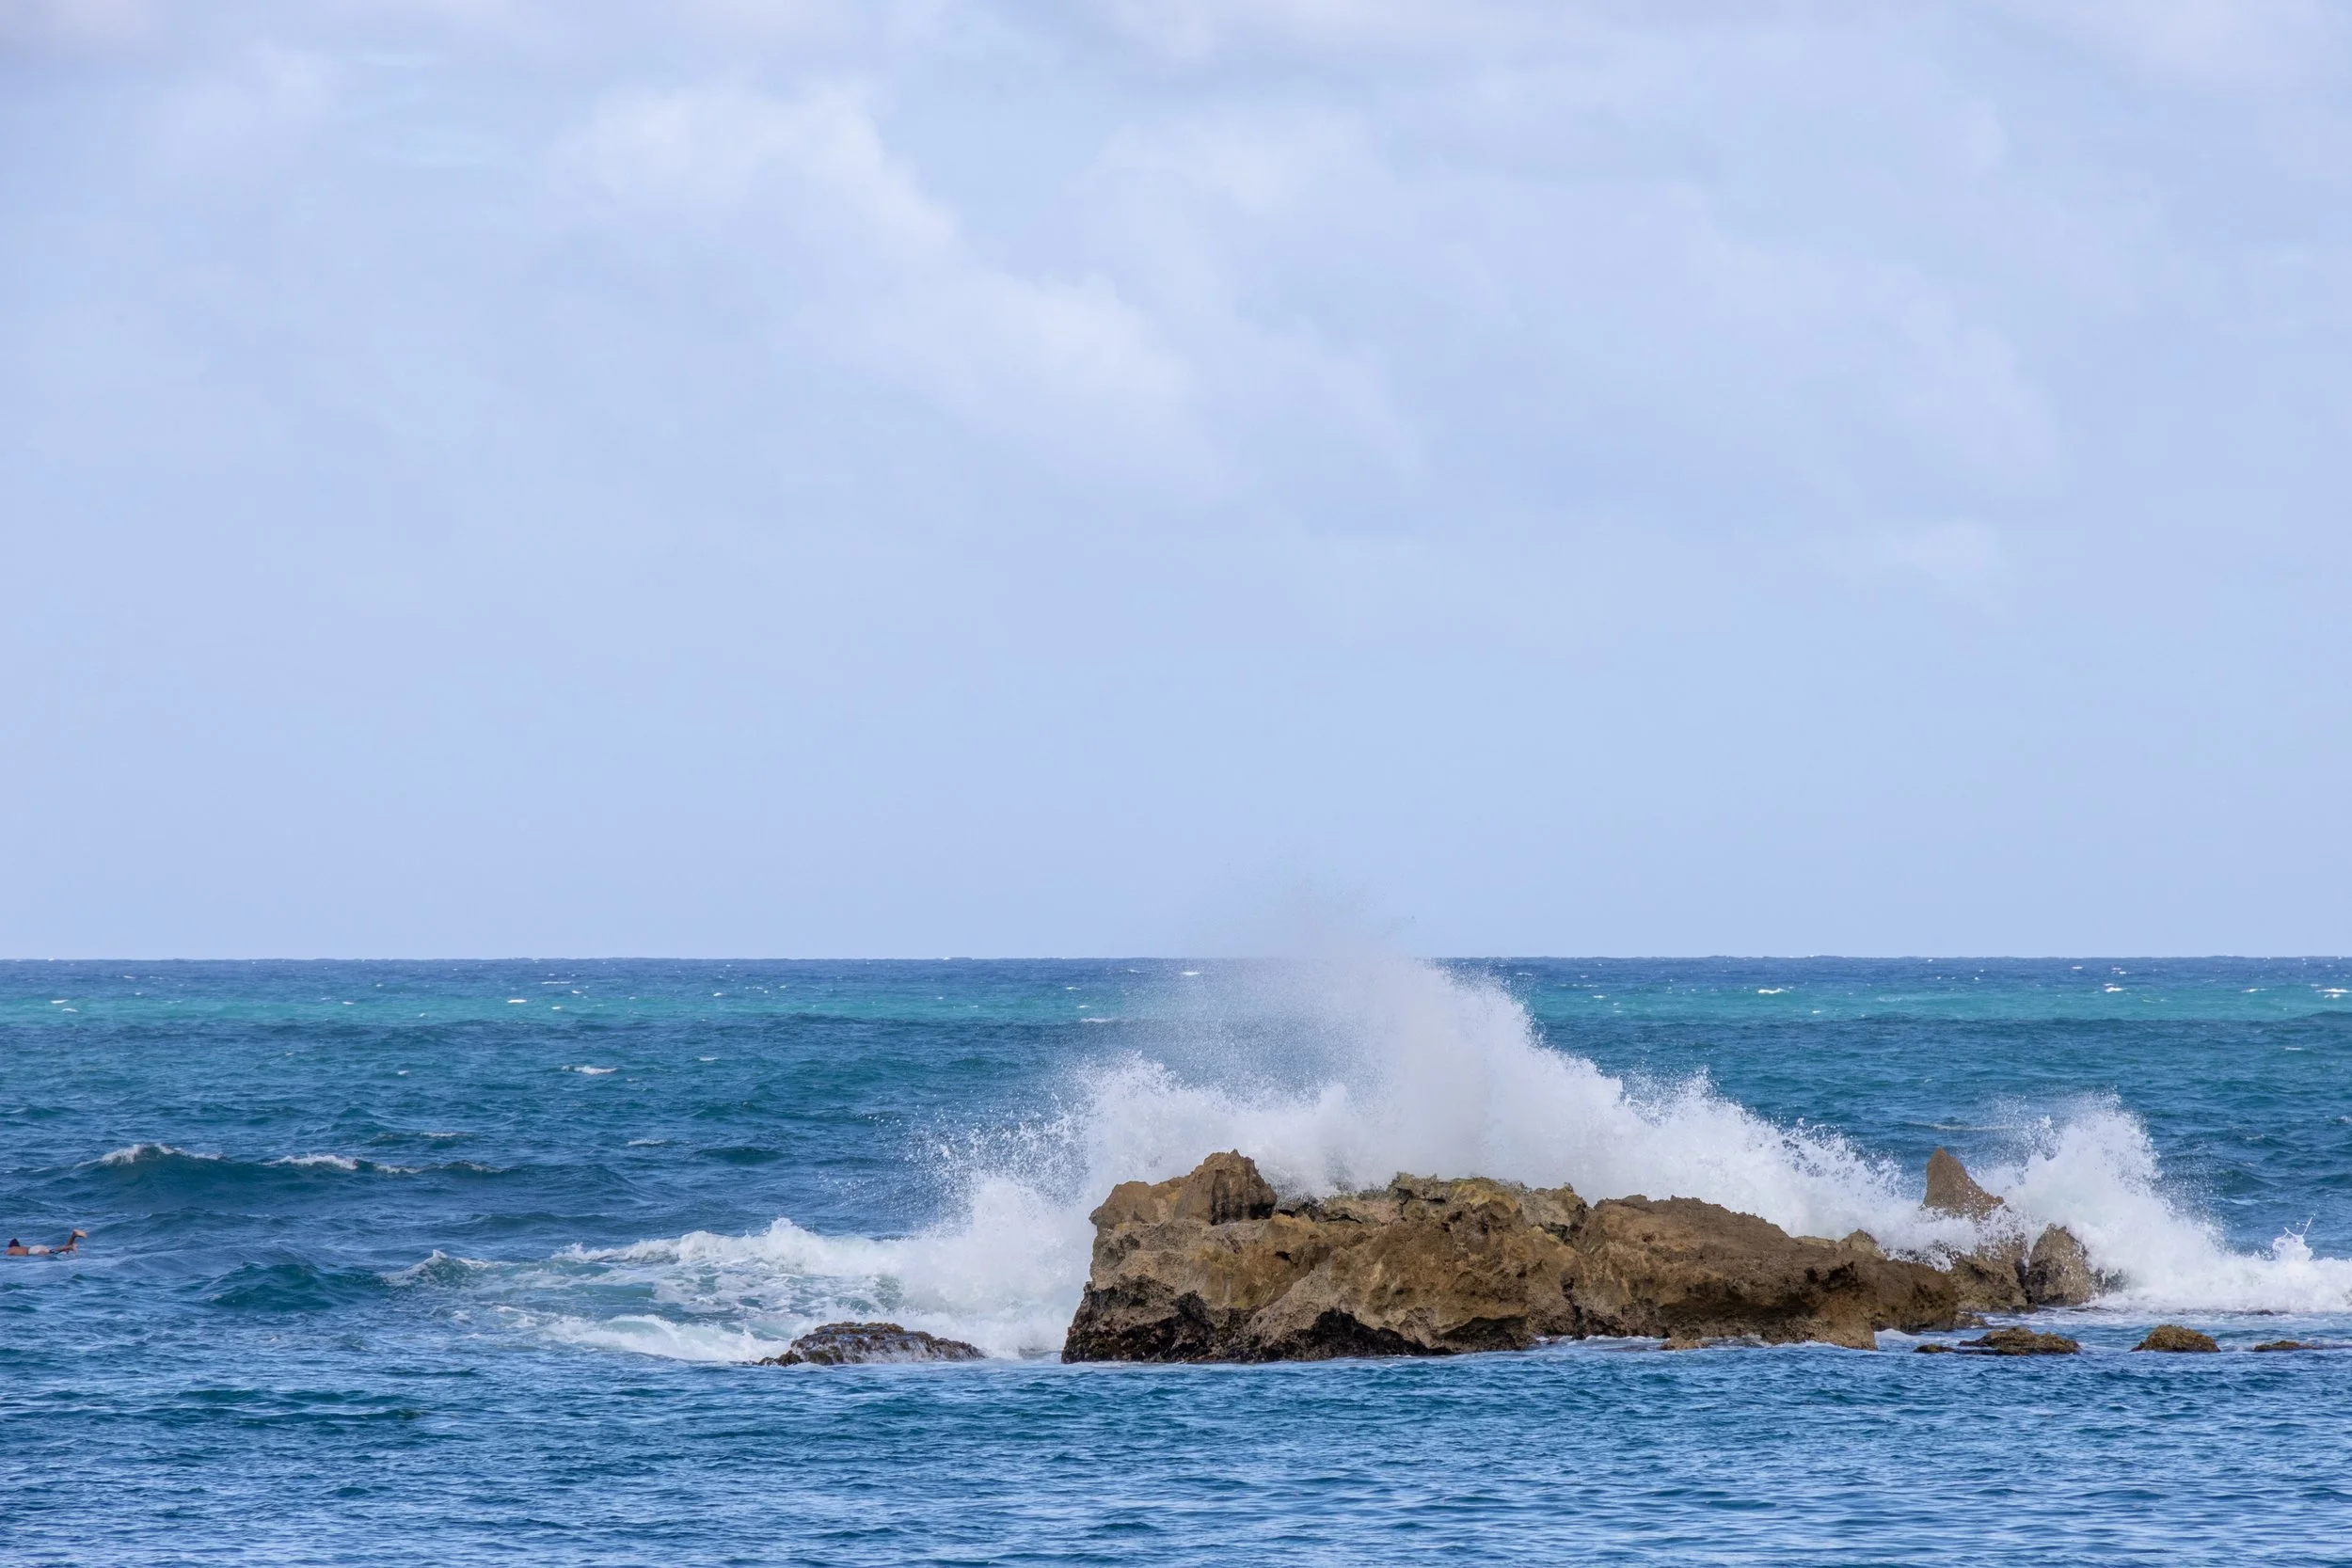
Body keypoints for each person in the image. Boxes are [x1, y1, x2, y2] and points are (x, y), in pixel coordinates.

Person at [9, 1230, 85, 1257]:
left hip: (32, 1251)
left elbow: (6, 1256)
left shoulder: (11, 1249)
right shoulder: (21, 1248)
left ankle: (69, 1245)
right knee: (61, 1252)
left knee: (51, 1253)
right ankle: (73, 1236)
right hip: (35, 1247)